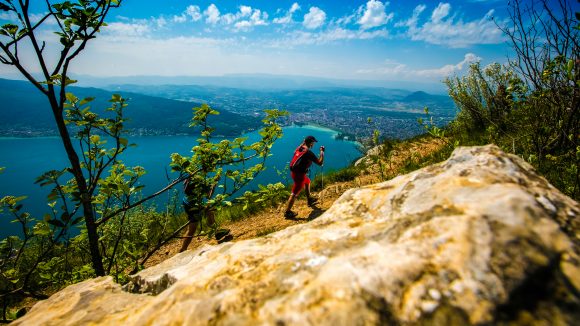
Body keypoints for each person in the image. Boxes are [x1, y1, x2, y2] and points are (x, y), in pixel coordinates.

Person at [179, 174, 230, 252]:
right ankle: (217, 233)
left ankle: (183, 249)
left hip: (187, 203)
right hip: (194, 204)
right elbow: (208, 195)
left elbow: (186, 189)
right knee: (209, 212)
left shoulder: (190, 178)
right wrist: (215, 183)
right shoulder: (201, 181)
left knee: (192, 229)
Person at [284, 135, 325, 218]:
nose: (313, 144)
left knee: (307, 182)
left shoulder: (300, 148)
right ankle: (287, 212)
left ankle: (309, 199)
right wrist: (322, 152)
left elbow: (296, 150)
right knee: (294, 193)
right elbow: (320, 163)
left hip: (294, 173)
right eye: (313, 143)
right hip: (299, 175)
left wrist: (304, 142)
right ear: (311, 143)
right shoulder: (308, 153)